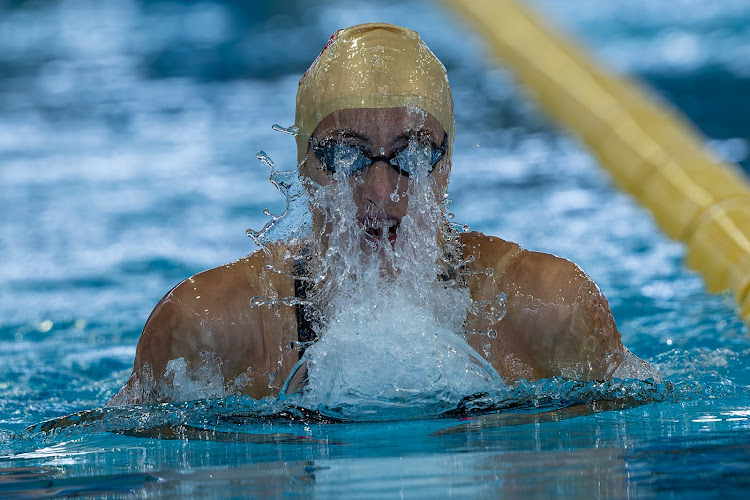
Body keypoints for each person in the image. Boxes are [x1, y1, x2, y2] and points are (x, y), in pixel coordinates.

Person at [109, 23, 657, 406]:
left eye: (414, 154)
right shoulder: (213, 333)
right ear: (305, 167)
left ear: (447, 163)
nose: (380, 192)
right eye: (346, 154)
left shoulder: (545, 313)